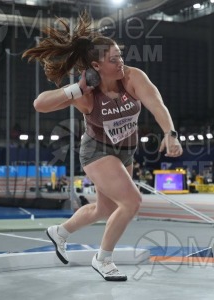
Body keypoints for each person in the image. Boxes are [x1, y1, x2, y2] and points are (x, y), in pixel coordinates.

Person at [23, 12, 183, 281]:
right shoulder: (85, 95)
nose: (121, 61)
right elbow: (40, 104)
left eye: (120, 55)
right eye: (114, 59)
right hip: (97, 150)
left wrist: (170, 132)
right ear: (96, 66)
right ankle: (103, 258)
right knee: (132, 201)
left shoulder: (133, 78)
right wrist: (76, 88)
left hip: (126, 152)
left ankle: (59, 232)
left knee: (105, 209)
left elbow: (157, 104)